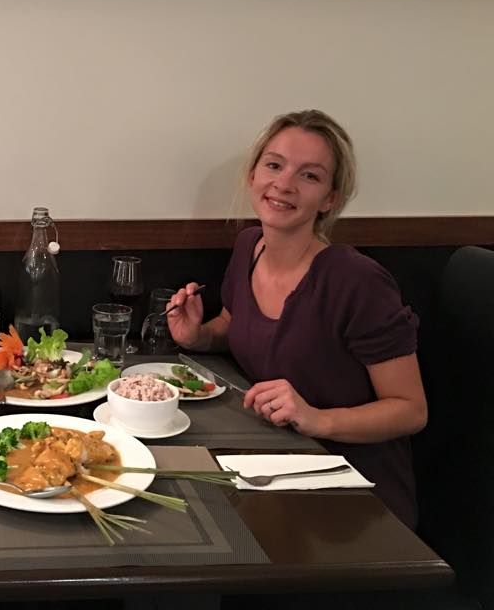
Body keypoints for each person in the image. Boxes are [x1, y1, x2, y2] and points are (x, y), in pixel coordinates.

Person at [166, 109, 427, 529]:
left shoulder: (356, 280)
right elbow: (235, 327)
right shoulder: (249, 246)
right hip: (268, 469)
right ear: (253, 175)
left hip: (355, 502)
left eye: (310, 175)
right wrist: (198, 336)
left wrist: (318, 418)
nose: (284, 183)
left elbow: (411, 410)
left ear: (329, 199)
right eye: (274, 165)